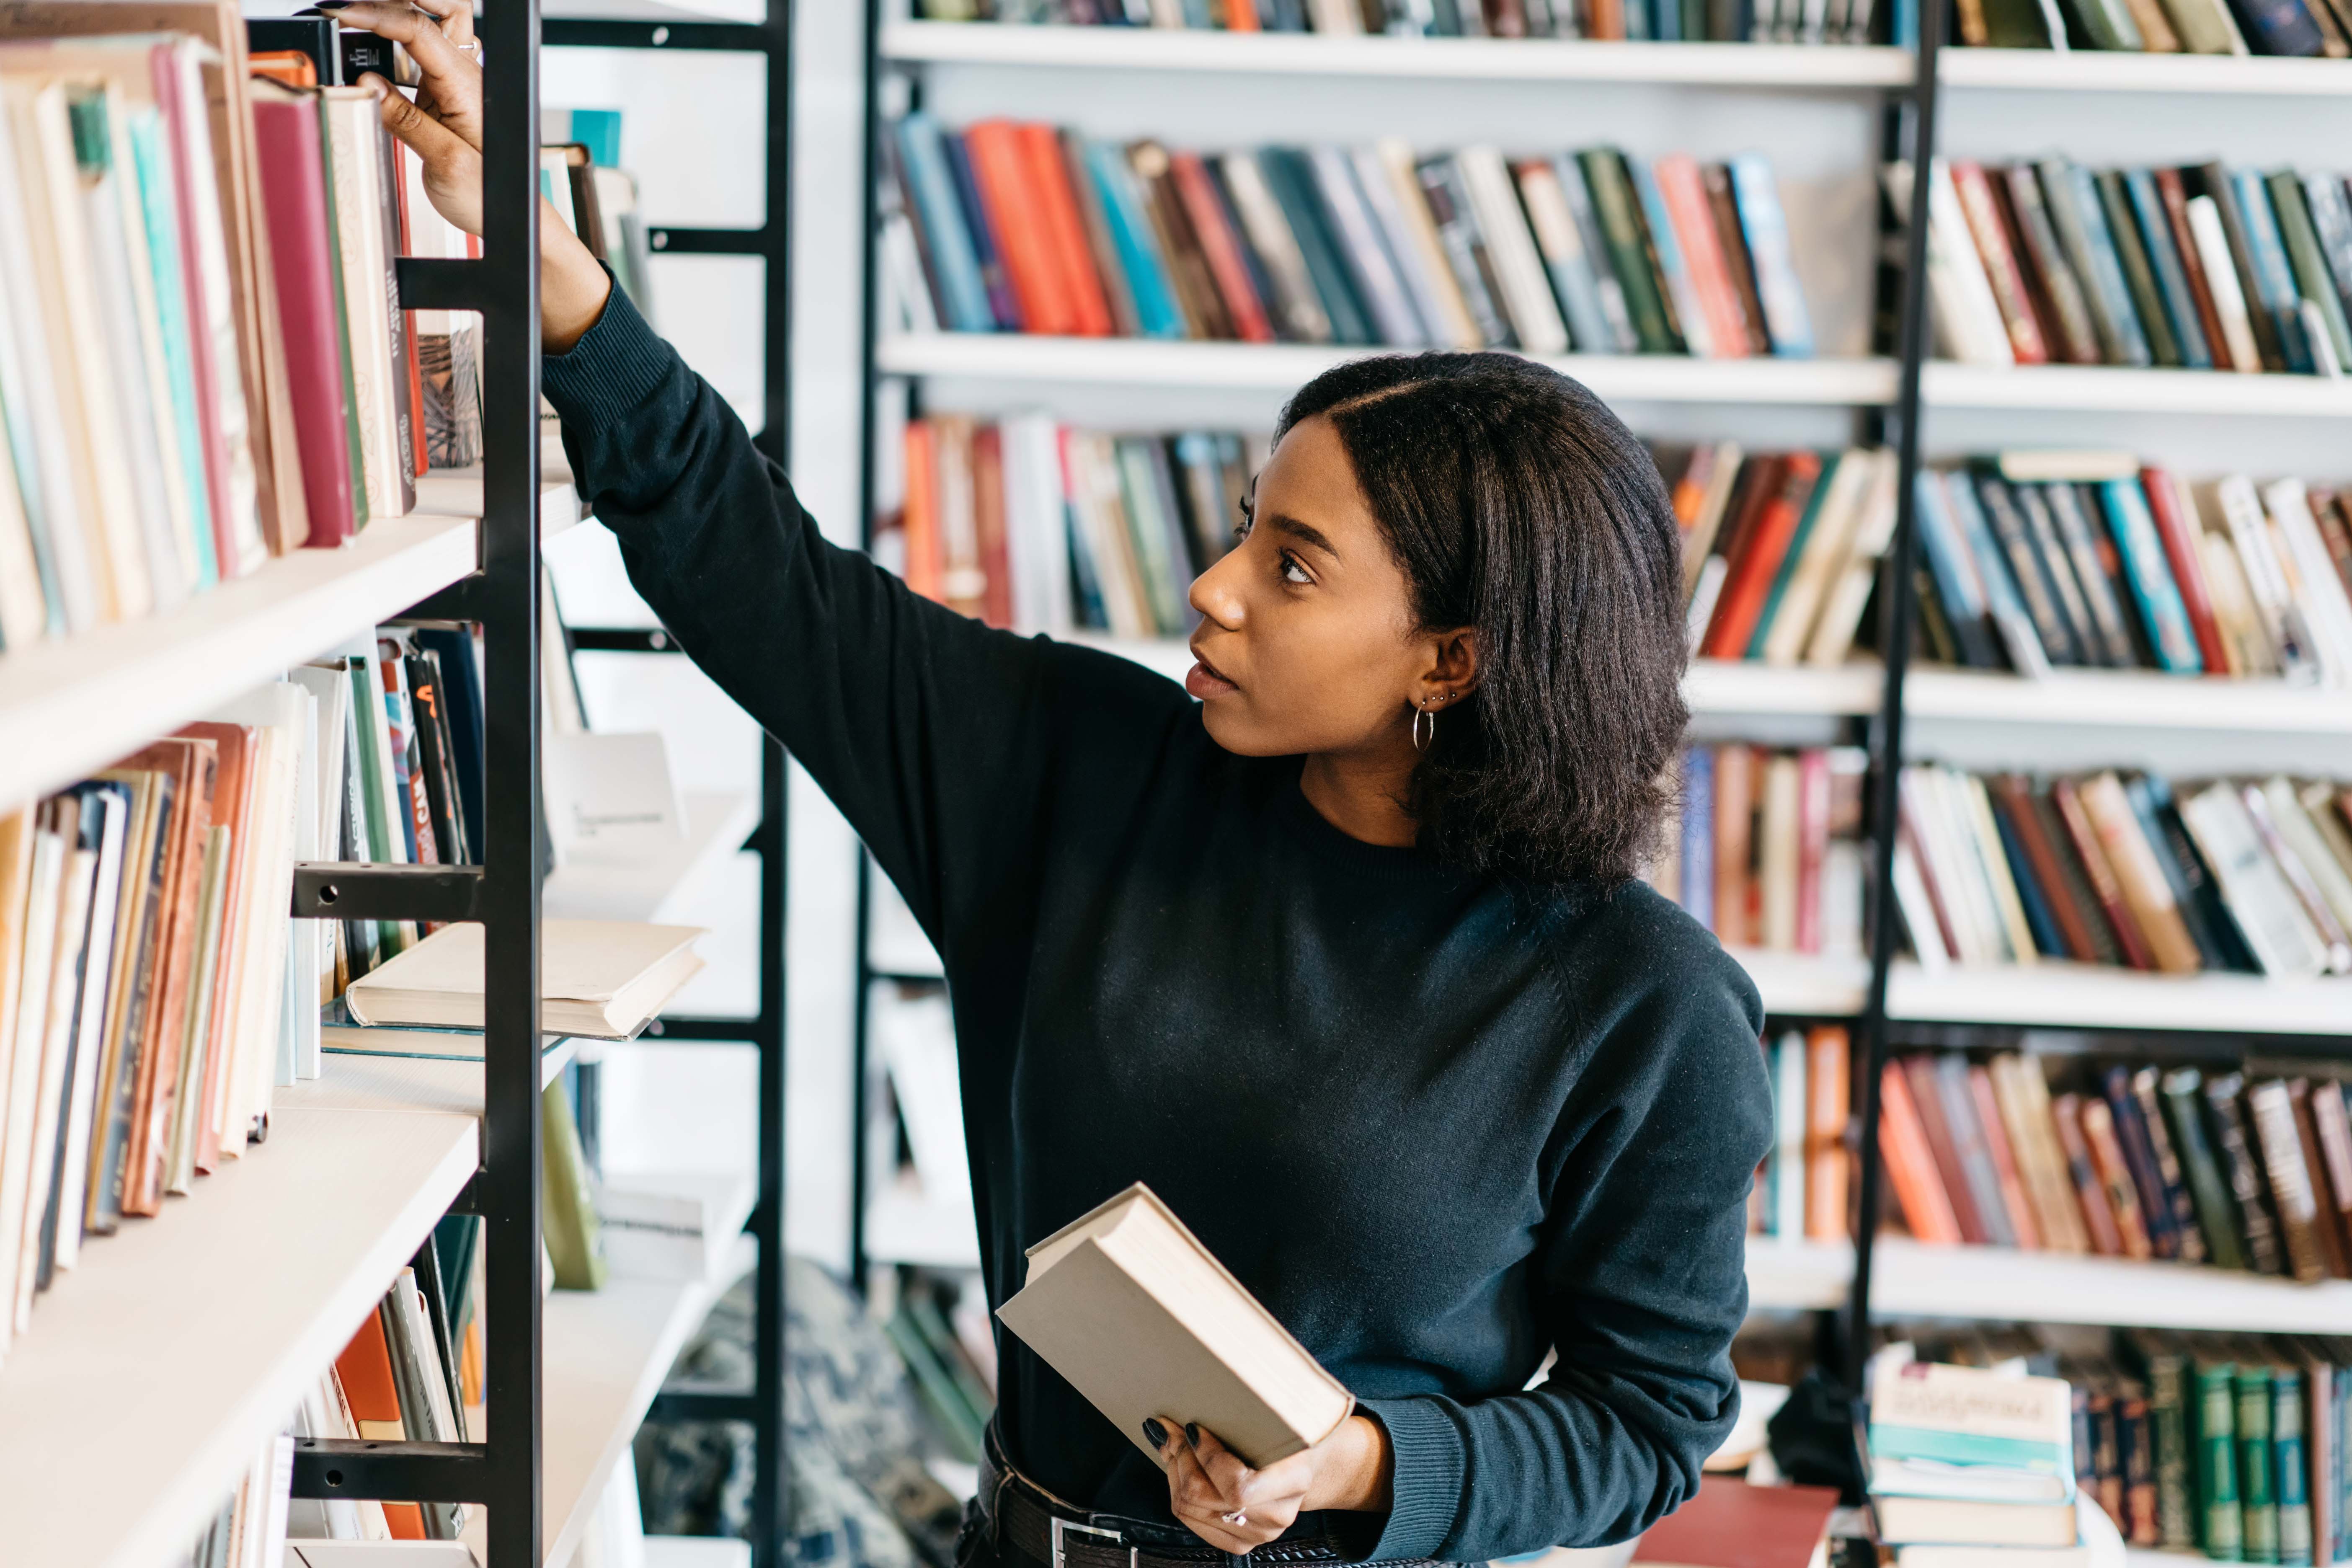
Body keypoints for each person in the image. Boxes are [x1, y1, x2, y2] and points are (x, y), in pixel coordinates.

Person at [335, 6, 1773, 1562]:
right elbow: (771, 582)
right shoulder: (1083, 772)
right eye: (1241, 527)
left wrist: (1361, 1462)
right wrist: (561, 291)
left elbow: (1648, 1421)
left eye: (1291, 570)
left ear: (1452, 661)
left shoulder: (1648, 1005)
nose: (1212, 589)